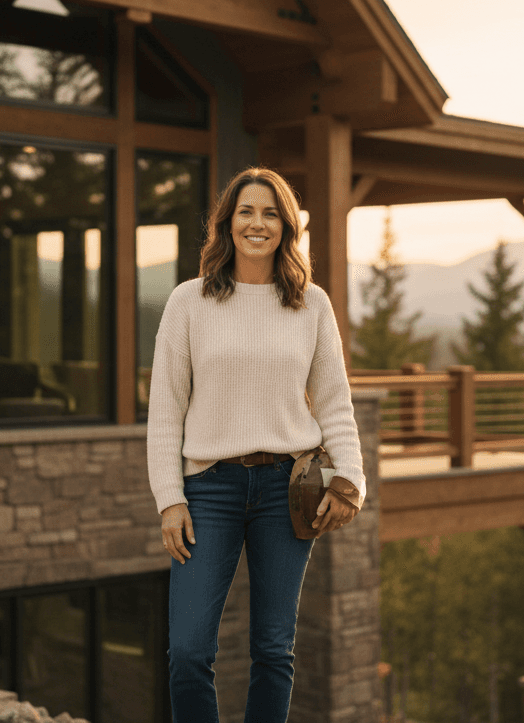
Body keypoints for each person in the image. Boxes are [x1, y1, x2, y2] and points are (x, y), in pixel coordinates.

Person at [146, 166, 366, 723]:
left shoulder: (311, 304)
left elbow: (335, 401)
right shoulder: (188, 302)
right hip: (208, 491)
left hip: (285, 490)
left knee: (274, 649)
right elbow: (166, 407)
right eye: (246, 211)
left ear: (286, 228)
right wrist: (170, 498)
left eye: (270, 213)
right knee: (189, 652)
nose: (257, 223)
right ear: (227, 223)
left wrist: (350, 480)